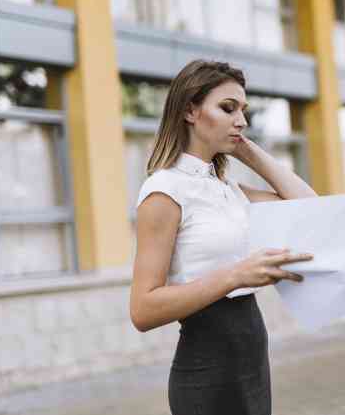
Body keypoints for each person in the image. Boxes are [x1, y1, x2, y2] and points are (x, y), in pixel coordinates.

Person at [130, 60, 316, 415]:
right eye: (228, 108)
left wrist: (247, 150)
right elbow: (142, 309)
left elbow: (310, 207)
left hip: (251, 367)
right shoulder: (163, 192)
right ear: (189, 110)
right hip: (207, 373)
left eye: (243, 111)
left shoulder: (227, 188)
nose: (241, 120)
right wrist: (236, 275)